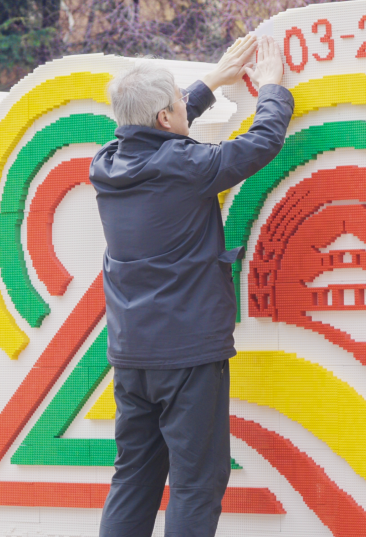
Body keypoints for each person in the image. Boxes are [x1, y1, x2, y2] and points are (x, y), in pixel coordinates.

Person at [91, 35, 292, 537]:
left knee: (134, 477)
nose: (186, 106)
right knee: (196, 483)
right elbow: (262, 142)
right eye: (180, 104)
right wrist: (272, 88)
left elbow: (154, 129)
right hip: (187, 355)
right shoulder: (185, 165)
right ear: (165, 117)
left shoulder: (106, 164)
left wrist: (211, 82)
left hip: (131, 355)